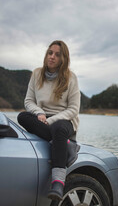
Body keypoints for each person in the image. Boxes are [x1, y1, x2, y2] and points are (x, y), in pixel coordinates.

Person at [17, 40, 81, 201]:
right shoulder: (37, 74)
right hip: (41, 117)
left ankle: (58, 183)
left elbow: (73, 109)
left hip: (64, 120)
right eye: (50, 52)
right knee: (22, 116)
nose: (52, 57)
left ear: (63, 59)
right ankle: (67, 145)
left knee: (59, 129)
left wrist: (51, 121)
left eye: (57, 54)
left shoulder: (71, 78)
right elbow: (28, 101)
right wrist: (39, 113)